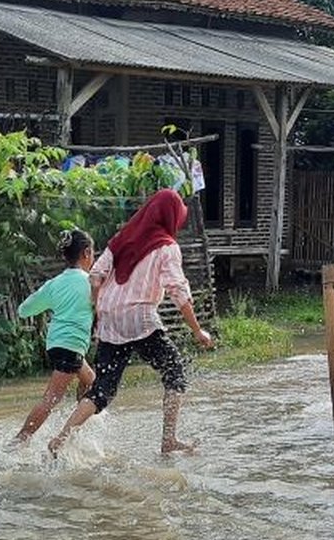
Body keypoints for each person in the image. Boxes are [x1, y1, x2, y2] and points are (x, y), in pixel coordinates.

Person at [47, 189, 214, 457]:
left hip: (111, 320)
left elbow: (96, 276)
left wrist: (99, 310)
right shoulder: (167, 247)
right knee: (175, 375)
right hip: (140, 319)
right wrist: (197, 330)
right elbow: (177, 290)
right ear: (170, 216)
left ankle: (61, 437)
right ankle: (168, 440)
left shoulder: (120, 239)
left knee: (103, 388)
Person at [10, 229, 97, 445]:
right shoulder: (91, 282)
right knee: (51, 399)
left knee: (92, 383)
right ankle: (22, 440)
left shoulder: (55, 283)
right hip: (71, 345)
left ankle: (76, 432)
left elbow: (24, 310)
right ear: (86, 253)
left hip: (57, 344)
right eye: (93, 253)